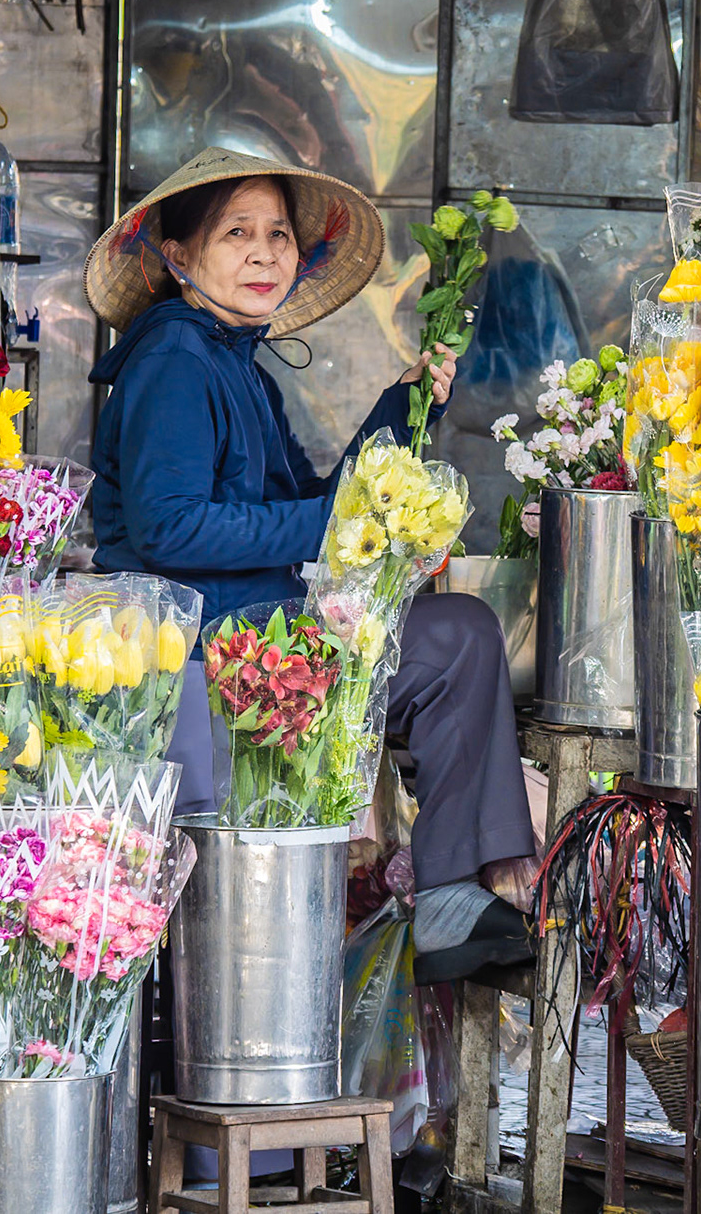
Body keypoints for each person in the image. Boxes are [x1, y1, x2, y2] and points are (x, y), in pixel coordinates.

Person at [84, 147, 536, 983]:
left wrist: (398, 410)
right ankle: (453, 888)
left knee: (457, 633)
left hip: (252, 628)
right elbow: (169, 527)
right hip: (202, 648)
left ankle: (454, 885)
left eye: (280, 234)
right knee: (460, 638)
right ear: (178, 255)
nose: (266, 253)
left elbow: (324, 504)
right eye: (237, 234)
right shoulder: (176, 361)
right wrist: (335, 527)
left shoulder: (235, 363)